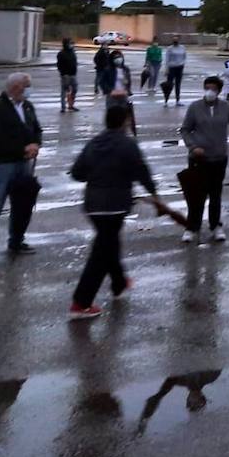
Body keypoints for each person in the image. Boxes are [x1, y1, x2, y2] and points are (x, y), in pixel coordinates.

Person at [68, 102, 161, 320]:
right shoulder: (128, 144)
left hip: (93, 204)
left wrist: (96, 175)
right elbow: (142, 171)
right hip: (115, 206)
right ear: (125, 121)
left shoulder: (94, 142)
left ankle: (119, 283)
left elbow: (77, 173)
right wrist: (155, 195)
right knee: (101, 253)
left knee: (108, 243)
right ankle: (81, 303)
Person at [179, 75, 229, 244]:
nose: (210, 92)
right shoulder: (195, 107)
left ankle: (215, 226)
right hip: (199, 159)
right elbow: (185, 130)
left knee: (215, 194)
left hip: (219, 158)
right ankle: (192, 227)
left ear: (219, 91)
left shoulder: (226, 107)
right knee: (196, 195)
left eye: (213, 89)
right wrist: (193, 147)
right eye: (207, 88)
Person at [0, 73, 42, 260]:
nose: (28, 89)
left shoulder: (27, 106)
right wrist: (23, 149)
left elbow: (37, 129)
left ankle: (16, 241)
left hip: (24, 164)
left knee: (22, 204)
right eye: (26, 86)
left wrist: (36, 144)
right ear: (14, 87)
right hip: (2, 164)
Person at [57, 37, 80, 113]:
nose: (72, 45)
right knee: (64, 91)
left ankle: (71, 105)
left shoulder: (72, 52)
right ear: (66, 44)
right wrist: (63, 74)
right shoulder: (61, 53)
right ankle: (63, 107)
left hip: (73, 74)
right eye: (70, 43)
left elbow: (74, 63)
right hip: (65, 75)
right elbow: (59, 65)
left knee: (75, 89)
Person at [163, 36, 187, 106]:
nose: (175, 41)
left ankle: (178, 100)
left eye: (176, 40)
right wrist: (166, 69)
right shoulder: (170, 48)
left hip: (179, 67)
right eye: (174, 40)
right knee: (169, 84)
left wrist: (182, 63)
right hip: (172, 67)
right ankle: (166, 101)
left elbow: (184, 56)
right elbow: (167, 59)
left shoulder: (182, 48)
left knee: (178, 84)